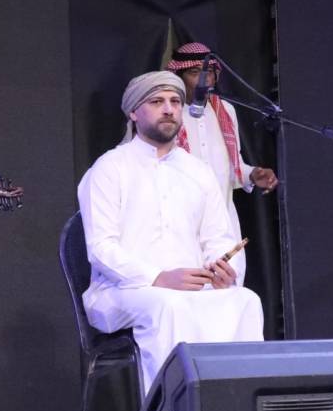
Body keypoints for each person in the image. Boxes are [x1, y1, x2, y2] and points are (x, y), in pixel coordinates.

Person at [77, 71, 265, 392]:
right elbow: (101, 248)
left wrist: (225, 271)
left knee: (245, 300)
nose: (168, 109)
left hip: (190, 289)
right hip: (121, 291)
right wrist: (158, 277)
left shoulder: (198, 172)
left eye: (175, 102)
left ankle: (238, 408)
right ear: (133, 112)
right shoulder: (110, 168)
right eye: (157, 102)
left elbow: (219, 237)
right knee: (169, 306)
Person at [166, 42, 278, 279]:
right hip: (179, 222)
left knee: (227, 290)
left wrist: (252, 174)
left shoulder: (226, 111)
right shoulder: (165, 116)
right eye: (194, 73)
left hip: (223, 222)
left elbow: (231, 167)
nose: (203, 80)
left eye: (209, 72)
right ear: (178, 76)